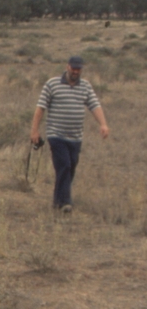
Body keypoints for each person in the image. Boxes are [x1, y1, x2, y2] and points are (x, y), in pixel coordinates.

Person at [29, 55, 109, 213]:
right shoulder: (52, 84)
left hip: (76, 137)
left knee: (70, 167)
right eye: (73, 68)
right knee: (64, 165)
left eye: (79, 69)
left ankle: (58, 201)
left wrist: (103, 124)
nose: (76, 71)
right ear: (67, 67)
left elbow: (94, 105)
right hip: (56, 134)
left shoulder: (85, 86)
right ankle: (65, 203)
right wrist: (34, 131)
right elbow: (40, 108)